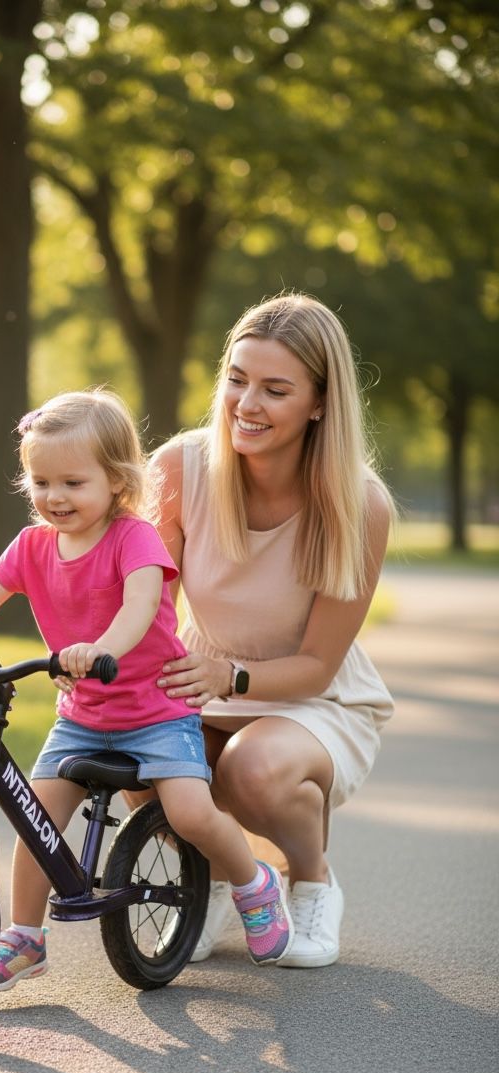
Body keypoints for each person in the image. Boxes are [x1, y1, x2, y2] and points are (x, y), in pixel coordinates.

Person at [0, 389, 296, 990]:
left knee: (189, 813)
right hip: (83, 715)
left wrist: (101, 648)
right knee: (35, 821)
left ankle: (252, 883)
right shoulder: (32, 546)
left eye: (73, 483)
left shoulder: (134, 538)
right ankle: (25, 938)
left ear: (117, 481)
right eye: (41, 482)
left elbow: (141, 604)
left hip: (157, 711)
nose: (54, 497)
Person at [150, 292, 395, 968]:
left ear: (319, 402)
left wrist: (229, 677)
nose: (246, 404)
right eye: (237, 379)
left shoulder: (360, 504)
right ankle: (217, 881)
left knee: (250, 770)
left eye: (275, 390)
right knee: (139, 757)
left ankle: (312, 883)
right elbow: (146, 603)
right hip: (202, 678)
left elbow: (317, 664)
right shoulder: (178, 469)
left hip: (312, 698)